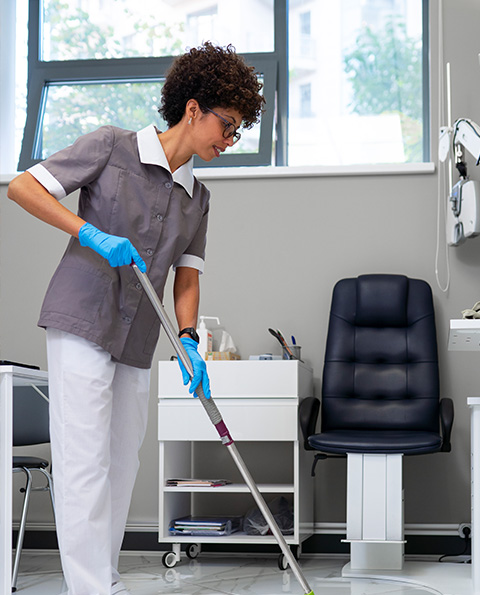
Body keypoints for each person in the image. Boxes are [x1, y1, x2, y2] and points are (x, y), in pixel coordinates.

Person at [7, 42, 264, 595]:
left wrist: (191, 341)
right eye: (227, 124)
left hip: (140, 334)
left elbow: (188, 276)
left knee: (122, 462)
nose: (230, 139)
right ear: (192, 109)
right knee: (83, 459)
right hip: (82, 315)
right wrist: (88, 233)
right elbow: (23, 187)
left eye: (238, 130)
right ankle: (94, 589)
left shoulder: (198, 195)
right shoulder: (112, 145)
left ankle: (103, 579)